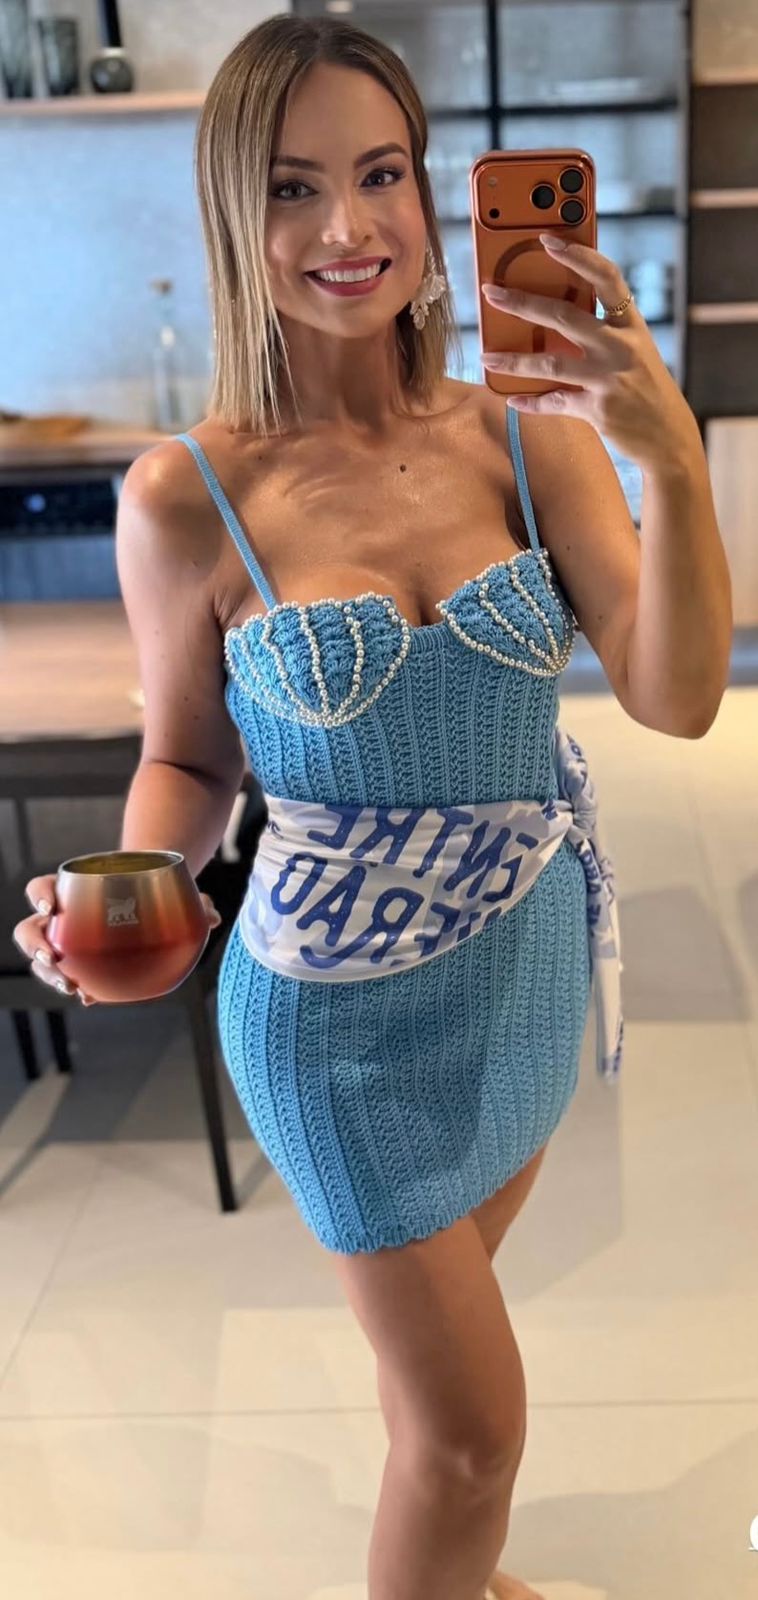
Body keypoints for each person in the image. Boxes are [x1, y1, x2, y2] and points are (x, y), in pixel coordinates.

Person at [13, 14, 732, 1600]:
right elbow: (191, 761)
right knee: (469, 1439)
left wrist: (671, 463)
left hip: (524, 972)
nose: (348, 227)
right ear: (234, 211)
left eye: (382, 173)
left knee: (441, 1379)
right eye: (292, 186)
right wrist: (130, 880)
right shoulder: (185, 493)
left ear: (427, 187)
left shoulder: (531, 439)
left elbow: (677, 696)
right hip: (328, 1017)